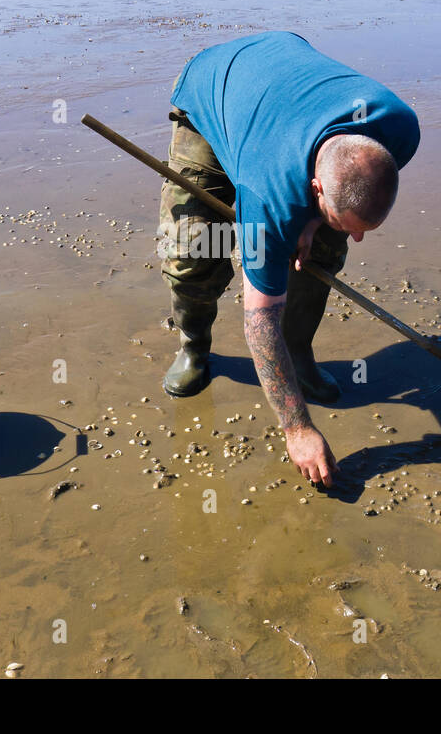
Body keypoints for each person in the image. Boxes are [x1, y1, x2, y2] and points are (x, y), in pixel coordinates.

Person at [157, 31, 419, 488]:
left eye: (366, 228)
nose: (358, 238)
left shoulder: (400, 129)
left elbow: (352, 183)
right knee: (194, 250)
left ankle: (299, 352)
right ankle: (195, 345)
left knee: (323, 251)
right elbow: (259, 319)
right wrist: (297, 428)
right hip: (214, 92)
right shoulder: (267, 193)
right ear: (315, 188)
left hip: (281, 79)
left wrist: (317, 224)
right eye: (349, 222)